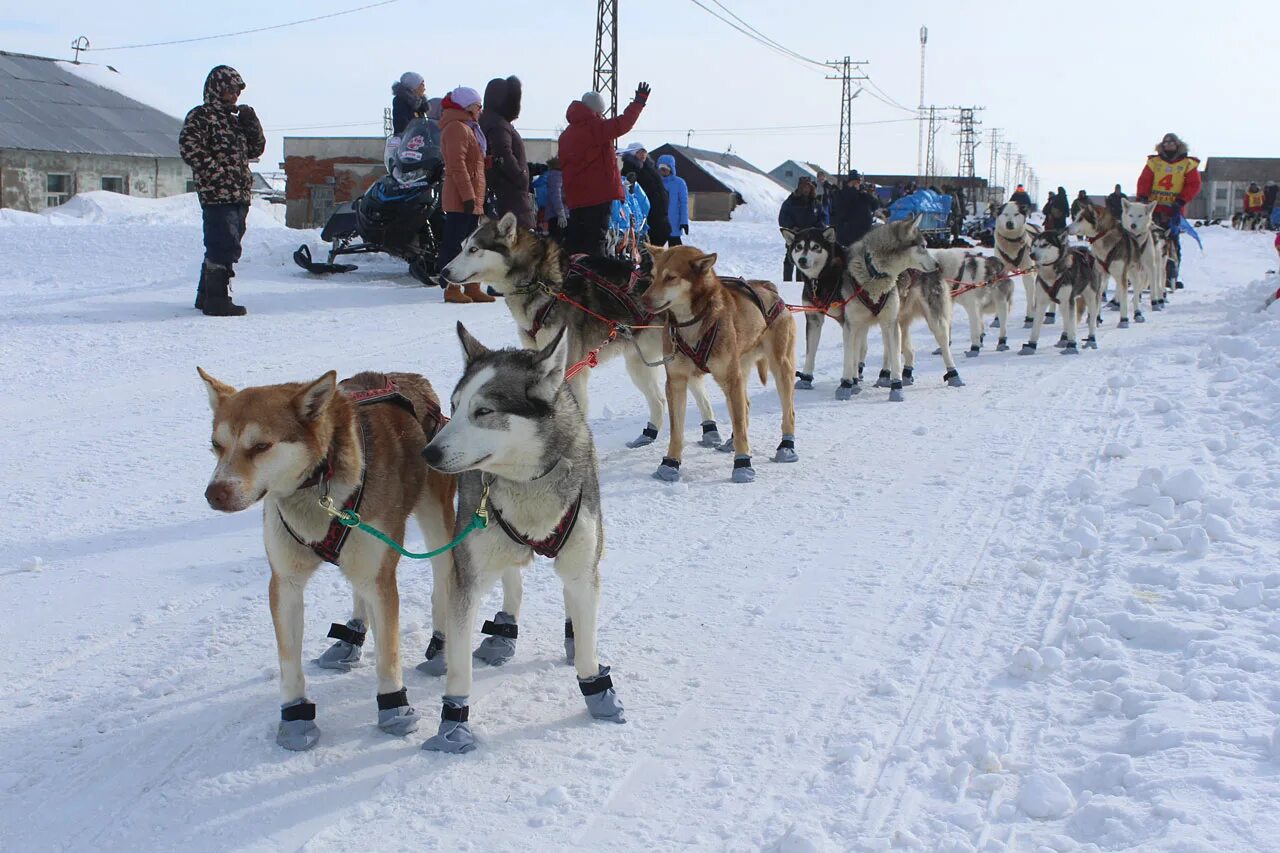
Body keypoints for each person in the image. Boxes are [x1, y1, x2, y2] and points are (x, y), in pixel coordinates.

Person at [179, 65, 264, 317]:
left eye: (237, 90)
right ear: (217, 89)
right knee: (222, 243)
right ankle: (217, 300)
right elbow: (189, 148)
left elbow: (255, 150)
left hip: (238, 193)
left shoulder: (234, 121)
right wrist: (216, 173)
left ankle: (204, 296)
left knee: (228, 241)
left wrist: (251, 123)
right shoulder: (201, 116)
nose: (234, 95)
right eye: (229, 89)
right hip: (216, 194)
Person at [558, 83, 651, 256]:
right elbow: (623, 123)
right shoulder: (594, 128)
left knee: (576, 240)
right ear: (596, 111)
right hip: (598, 195)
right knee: (595, 241)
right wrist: (639, 102)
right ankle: (593, 279)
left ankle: (571, 275)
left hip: (575, 196)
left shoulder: (566, 135)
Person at [436, 86, 494, 304]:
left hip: (472, 196)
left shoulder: (470, 128)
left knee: (472, 243)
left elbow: (471, 163)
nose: (481, 110)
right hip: (461, 197)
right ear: (468, 107)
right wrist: (468, 196)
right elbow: (457, 165)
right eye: (478, 106)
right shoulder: (456, 128)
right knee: (456, 243)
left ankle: (472, 285)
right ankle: (452, 287)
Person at [1137, 132, 1201, 288]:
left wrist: (1182, 200)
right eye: (1166, 144)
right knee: (1146, 239)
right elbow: (1145, 180)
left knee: (1172, 241)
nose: (1168, 146)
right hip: (1153, 208)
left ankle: (1170, 275)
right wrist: (1143, 198)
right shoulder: (1154, 163)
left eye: (1171, 144)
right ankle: (1142, 275)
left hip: (1174, 208)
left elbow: (1193, 185)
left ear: (1177, 145)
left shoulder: (1187, 164)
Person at [479, 75, 535, 231]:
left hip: (498, 189)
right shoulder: (499, 125)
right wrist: (520, 176)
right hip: (508, 193)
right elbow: (503, 154)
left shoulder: (486, 121)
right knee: (516, 238)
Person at [619, 143, 671, 246]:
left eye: (644, 152)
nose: (643, 155)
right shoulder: (630, 170)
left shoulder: (650, 168)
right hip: (646, 217)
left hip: (660, 215)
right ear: (633, 153)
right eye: (639, 152)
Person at [777, 177, 827, 281]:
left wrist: (816, 229)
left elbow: (823, 218)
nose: (806, 189)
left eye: (808, 186)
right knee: (790, 260)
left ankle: (801, 283)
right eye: (804, 186)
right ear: (799, 187)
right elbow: (782, 218)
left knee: (805, 260)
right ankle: (787, 283)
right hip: (795, 235)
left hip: (810, 237)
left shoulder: (815, 202)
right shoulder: (791, 201)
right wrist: (792, 227)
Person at [830, 170, 877, 246]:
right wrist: (852, 189)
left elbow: (875, 205)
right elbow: (843, 205)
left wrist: (866, 194)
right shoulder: (841, 193)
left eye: (857, 182)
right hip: (848, 233)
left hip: (864, 231)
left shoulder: (863, 194)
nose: (856, 184)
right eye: (854, 182)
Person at [657, 154, 689, 246]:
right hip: (659, 223)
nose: (662, 170)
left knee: (675, 251)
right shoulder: (656, 182)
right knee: (656, 250)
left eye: (665, 168)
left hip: (673, 223)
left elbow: (684, 203)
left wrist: (684, 221)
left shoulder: (679, 183)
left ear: (671, 168)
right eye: (660, 168)